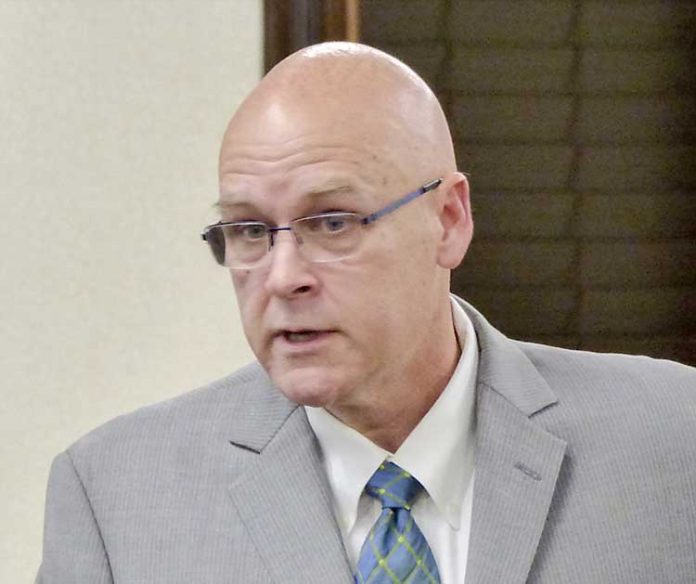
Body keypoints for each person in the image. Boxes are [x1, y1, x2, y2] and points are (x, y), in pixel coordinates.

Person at [36, 42, 696, 584]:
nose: (283, 277)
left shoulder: (672, 438)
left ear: (449, 221)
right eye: (247, 231)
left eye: (332, 222)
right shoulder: (115, 497)